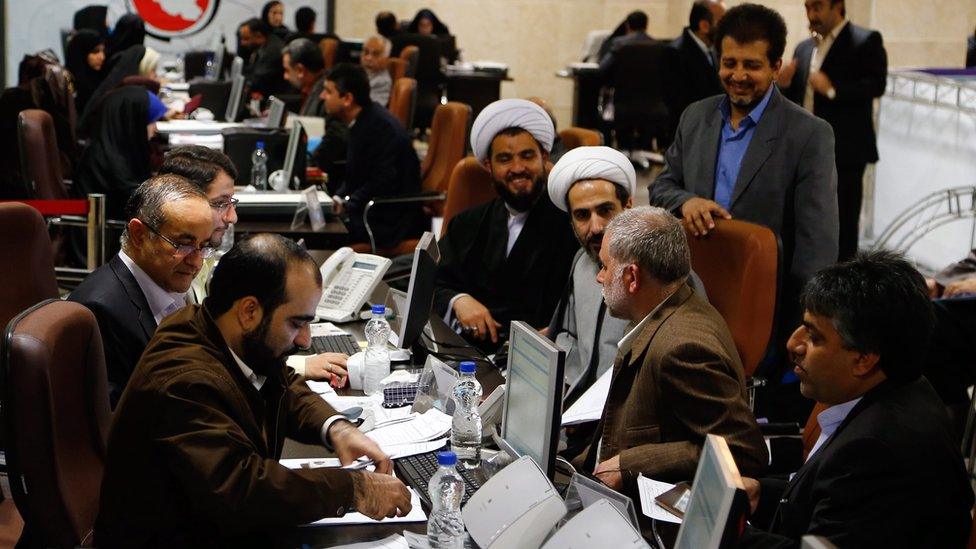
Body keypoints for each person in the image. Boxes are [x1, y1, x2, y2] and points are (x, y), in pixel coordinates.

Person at [94, 233, 412, 547]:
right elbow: (240, 489)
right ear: (249, 312)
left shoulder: (207, 326)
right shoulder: (185, 381)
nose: (305, 340)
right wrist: (353, 489)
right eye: (296, 323)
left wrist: (337, 428)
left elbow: (282, 382)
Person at [649, 3, 838, 419]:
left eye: (751, 65)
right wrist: (687, 201)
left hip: (766, 312)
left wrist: (806, 325)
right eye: (728, 63)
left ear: (776, 66)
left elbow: (817, 245)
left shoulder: (808, 135)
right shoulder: (696, 117)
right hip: (690, 296)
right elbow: (661, 186)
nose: (737, 75)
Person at [738, 251, 974, 548]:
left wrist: (724, 532)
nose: (793, 344)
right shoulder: (899, 385)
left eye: (814, 337)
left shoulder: (877, 449)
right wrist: (761, 492)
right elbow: (825, 493)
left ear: (864, 359)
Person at [578, 206, 767, 492]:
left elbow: (742, 452)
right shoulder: (659, 310)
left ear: (632, 277)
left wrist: (636, 461)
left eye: (605, 266)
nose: (599, 278)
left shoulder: (683, 349)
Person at [434, 99, 580, 352]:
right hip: (466, 354)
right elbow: (436, 281)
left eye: (527, 156)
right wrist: (460, 300)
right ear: (488, 166)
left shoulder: (570, 225)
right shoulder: (468, 223)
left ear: (544, 158)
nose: (518, 168)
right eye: (504, 159)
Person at [69, 175, 214, 407]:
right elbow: (114, 422)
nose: (197, 262)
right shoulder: (98, 311)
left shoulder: (171, 287)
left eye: (204, 246)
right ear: (139, 235)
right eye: (183, 244)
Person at [778, 0, 887, 262]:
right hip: (804, 150)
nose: (811, 14)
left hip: (845, 150)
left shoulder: (864, 40)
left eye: (818, 7)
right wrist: (782, 84)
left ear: (838, 7)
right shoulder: (804, 48)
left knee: (843, 223)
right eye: (807, 7)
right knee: (804, 220)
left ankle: (842, 291)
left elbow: (876, 85)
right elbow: (796, 97)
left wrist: (832, 89)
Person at [320, 63, 423, 248]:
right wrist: (339, 198)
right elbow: (356, 175)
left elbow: (383, 181)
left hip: (386, 218)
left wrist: (347, 203)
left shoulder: (381, 128)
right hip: (367, 209)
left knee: (323, 239)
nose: (322, 97)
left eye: (328, 91)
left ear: (347, 98)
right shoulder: (363, 121)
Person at [76, 85, 168, 218]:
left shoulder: (120, 149)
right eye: (151, 121)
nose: (155, 129)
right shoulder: (111, 162)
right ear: (132, 121)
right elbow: (136, 201)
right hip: (110, 232)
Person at [666, 1, 726, 131]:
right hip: (692, 133)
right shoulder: (676, 53)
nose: (727, 29)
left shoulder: (714, 49)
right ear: (704, 26)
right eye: (722, 23)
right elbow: (678, 105)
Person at [598, 10, 653, 77]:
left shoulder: (619, 43)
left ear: (627, 25)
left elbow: (604, 66)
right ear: (646, 25)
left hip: (622, 85)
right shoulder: (654, 43)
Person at [242, 18, 288, 97]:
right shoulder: (265, 45)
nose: (242, 43)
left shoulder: (272, 51)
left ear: (258, 35)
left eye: (246, 38)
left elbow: (257, 80)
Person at [282, 38, 327, 116]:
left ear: (300, 70)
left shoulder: (324, 96)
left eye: (287, 70)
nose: (285, 76)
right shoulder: (312, 87)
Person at [65, 29, 106, 114]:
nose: (102, 57)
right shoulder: (68, 81)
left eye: (103, 51)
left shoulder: (97, 77)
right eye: (95, 52)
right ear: (81, 53)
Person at [361, 35, 393, 106]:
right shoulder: (358, 73)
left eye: (376, 54)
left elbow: (371, 111)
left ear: (386, 60)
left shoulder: (382, 82)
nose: (368, 58)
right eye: (366, 52)